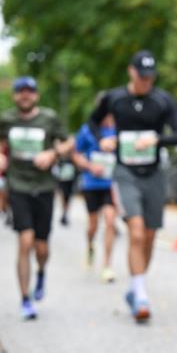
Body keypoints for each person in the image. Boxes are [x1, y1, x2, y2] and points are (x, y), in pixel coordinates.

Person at [88, 51, 177, 323]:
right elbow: (92, 122)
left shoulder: (162, 100)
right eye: (142, 77)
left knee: (148, 235)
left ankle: (136, 287)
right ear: (131, 72)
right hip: (125, 173)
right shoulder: (115, 98)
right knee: (134, 231)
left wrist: (157, 139)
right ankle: (142, 294)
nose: (146, 82)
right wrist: (103, 140)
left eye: (150, 77)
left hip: (154, 173)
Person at [0, 76, 74, 321]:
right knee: (25, 240)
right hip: (18, 185)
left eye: (30, 91)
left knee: (41, 247)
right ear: (14, 96)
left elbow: (69, 142)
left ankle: (41, 272)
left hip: (44, 187)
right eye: (21, 91)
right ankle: (25, 298)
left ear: (36, 96)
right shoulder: (7, 119)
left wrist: (52, 153)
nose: (25, 95)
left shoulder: (49, 119)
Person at [73, 105, 119, 283]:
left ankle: (107, 265)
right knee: (93, 224)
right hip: (92, 183)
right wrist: (90, 166)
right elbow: (76, 155)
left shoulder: (118, 129)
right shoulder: (87, 130)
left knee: (109, 221)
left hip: (111, 184)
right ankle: (90, 246)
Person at [53, 153, 77, 227]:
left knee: (68, 197)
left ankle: (65, 213)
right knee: (62, 194)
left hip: (71, 177)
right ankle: (64, 213)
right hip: (62, 176)